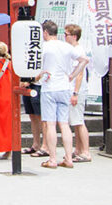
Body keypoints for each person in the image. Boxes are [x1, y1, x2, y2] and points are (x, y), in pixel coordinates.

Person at [37, 20, 89, 169]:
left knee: (51, 124)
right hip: (64, 87)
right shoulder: (66, 46)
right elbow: (84, 60)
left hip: (49, 87)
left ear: (45, 33)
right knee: (64, 124)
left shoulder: (44, 47)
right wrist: (72, 75)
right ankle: (68, 158)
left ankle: (53, 159)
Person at [63, 23, 92, 162]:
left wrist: (75, 92)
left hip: (77, 89)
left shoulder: (79, 51)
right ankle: (79, 149)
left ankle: (86, 151)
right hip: (73, 87)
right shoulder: (71, 50)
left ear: (74, 36)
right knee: (75, 120)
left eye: (66, 34)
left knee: (79, 121)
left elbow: (80, 74)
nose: (64, 37)